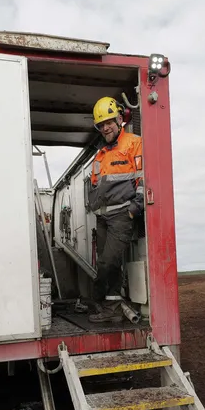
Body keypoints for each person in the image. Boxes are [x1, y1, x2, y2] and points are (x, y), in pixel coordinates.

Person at [87, 96, 144, 323]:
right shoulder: (100, 155)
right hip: (102, 217)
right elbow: (95, 185)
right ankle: (111, 309)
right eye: (101, 125)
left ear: (120, 119)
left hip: (122, 214)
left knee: (107, 262)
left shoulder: (133, 143)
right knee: (110, 264)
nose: (105, 127)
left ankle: (97, 299)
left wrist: (134, 209)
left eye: (109, 121)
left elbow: (143, 177)